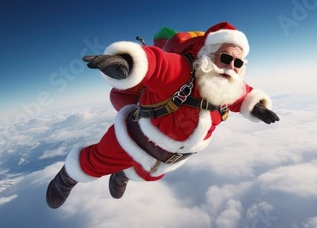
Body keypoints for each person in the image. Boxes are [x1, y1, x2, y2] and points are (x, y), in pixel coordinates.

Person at [46, 22, 280, 209]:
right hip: (133, 138)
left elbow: (241, 95)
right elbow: (156, 63)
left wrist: (255, 105)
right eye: (225, 58)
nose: (231, 66)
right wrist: (126, 61)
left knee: (149, 174)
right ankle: (67, 178)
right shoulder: (182, 70)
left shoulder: (230, 85)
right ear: (208, 54)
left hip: (172, 156)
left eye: (238, 62)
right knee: (96, 161)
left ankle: (123, 174)